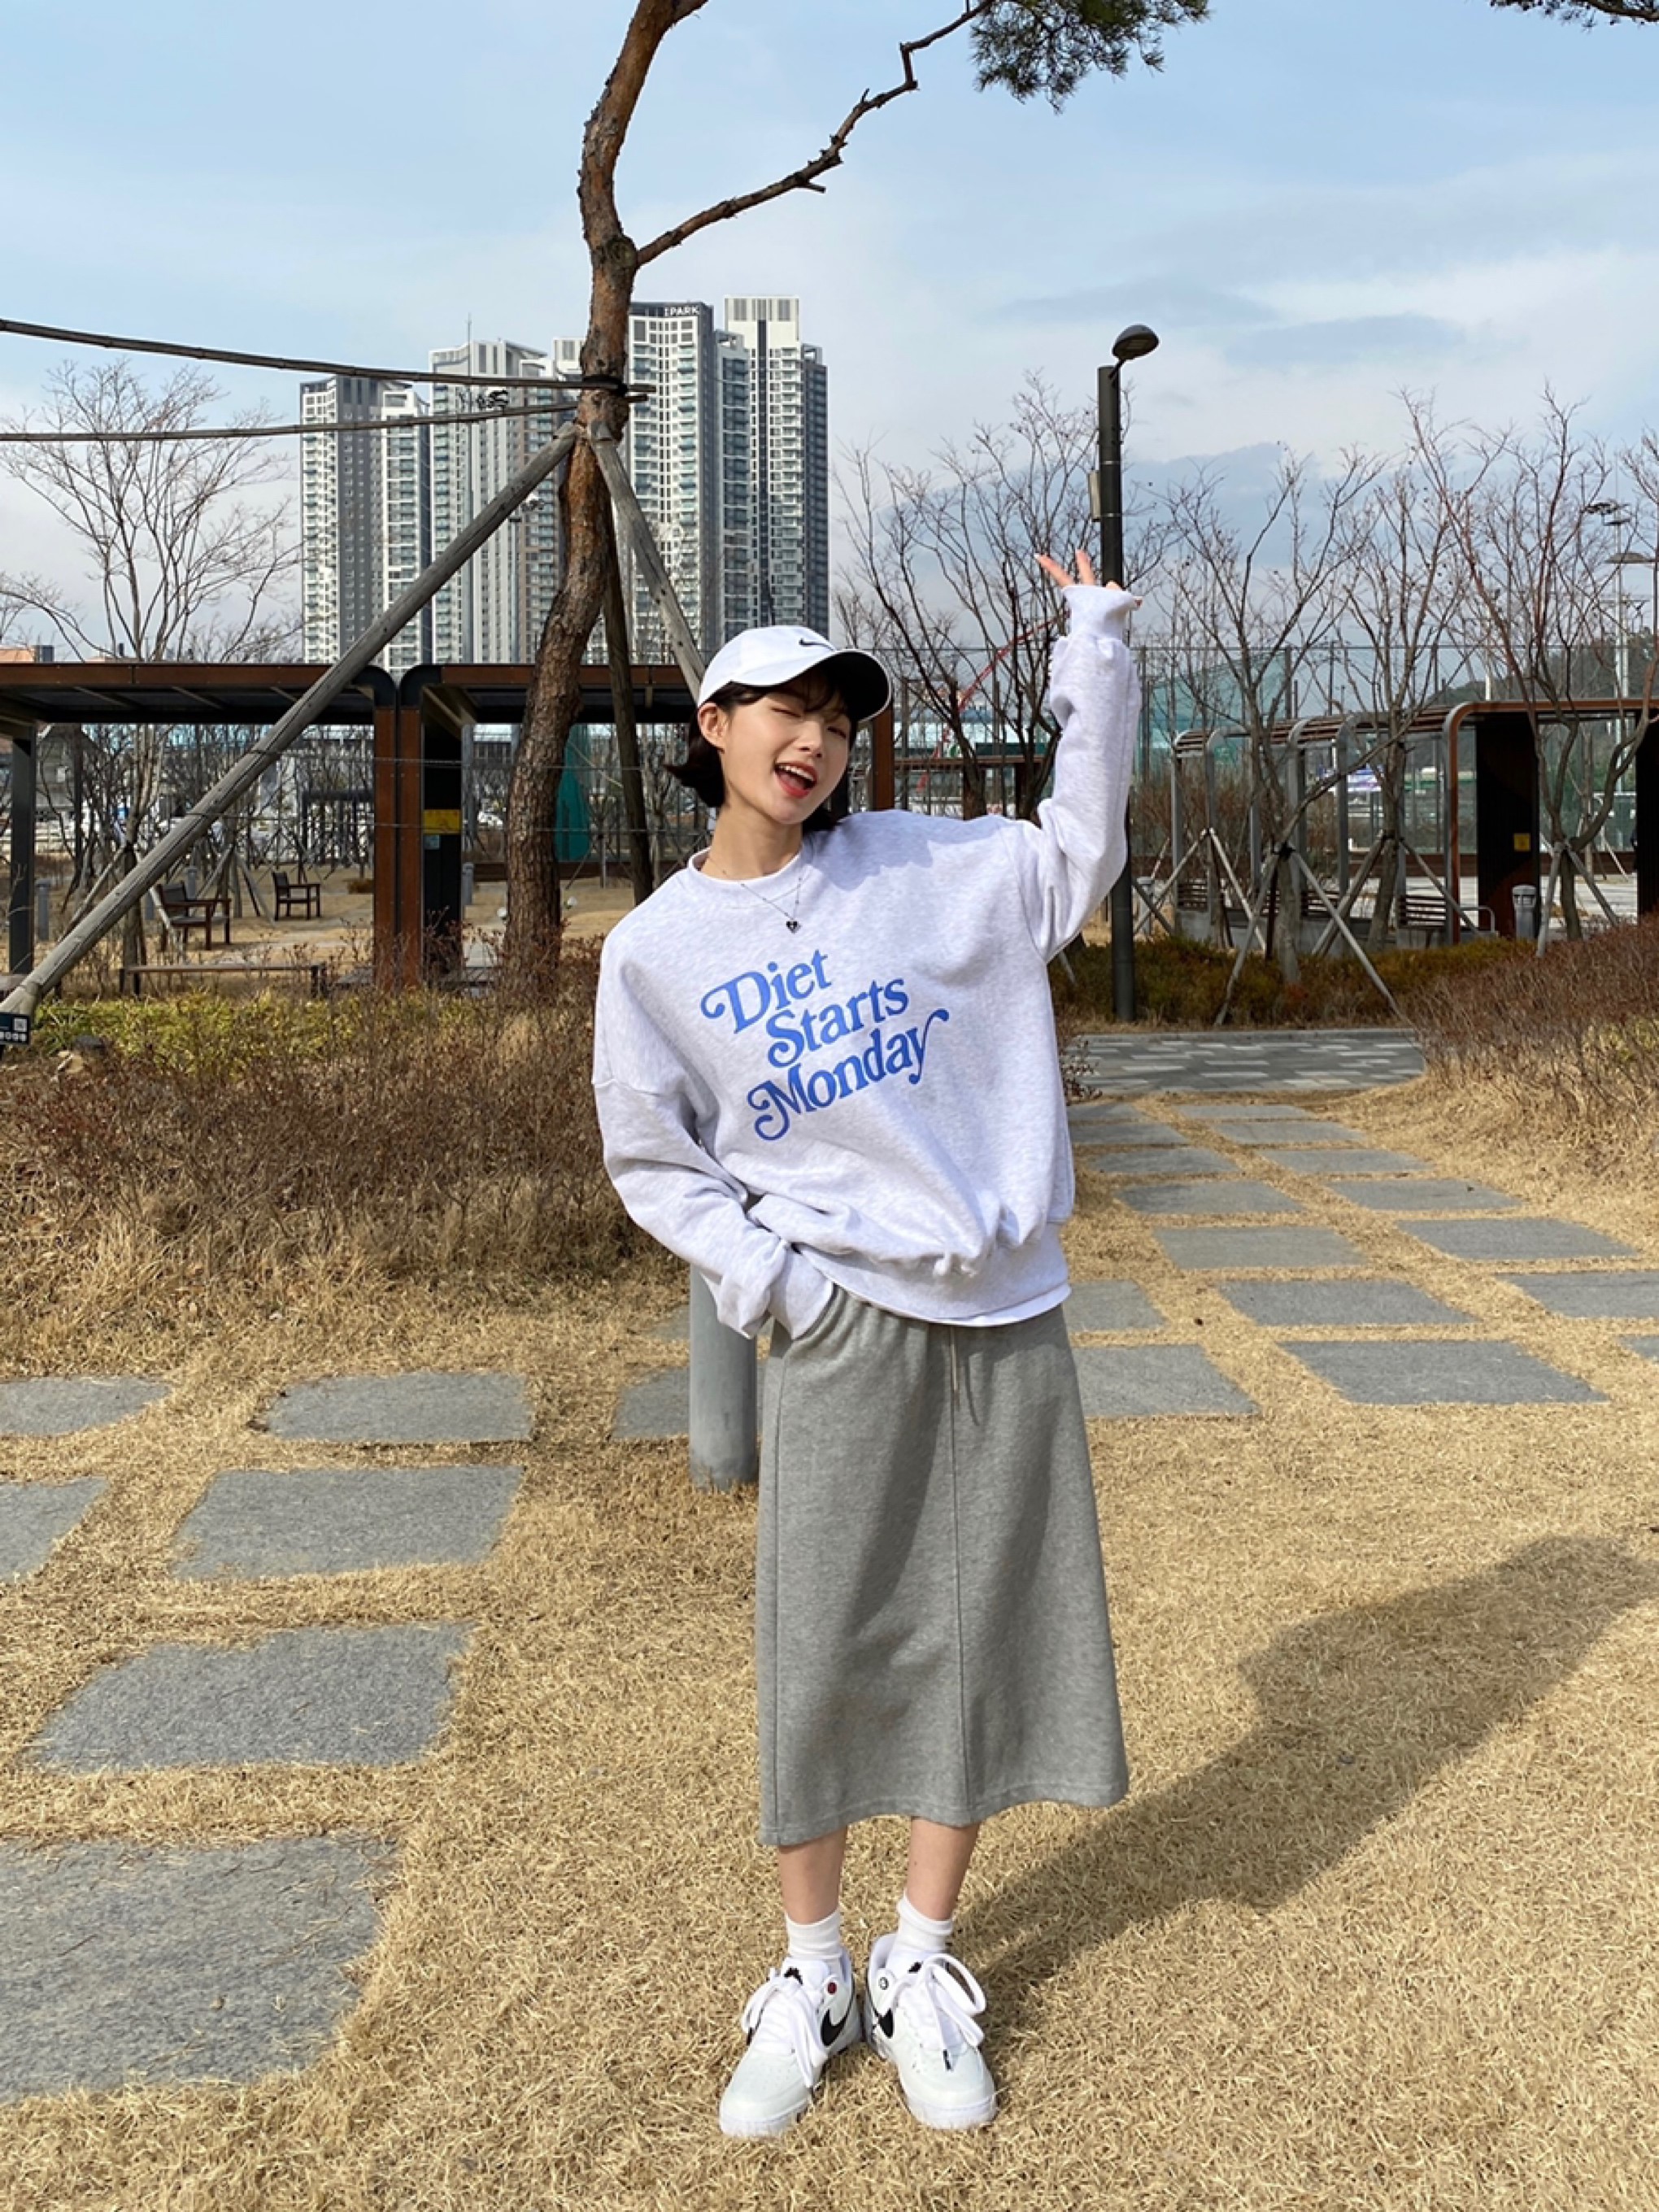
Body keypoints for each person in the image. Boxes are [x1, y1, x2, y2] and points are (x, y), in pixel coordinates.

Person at [592, 553, 1138, 2138]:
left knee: (986, 1632)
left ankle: (920, 1959)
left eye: (836, 716)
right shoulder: (658, 951)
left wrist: (1094, 651)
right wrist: (776, 1285)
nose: (815, 739)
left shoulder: (927, 863)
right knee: (823, 1643)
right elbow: (654, 1161)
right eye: (785, 707)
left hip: (1005, 1310)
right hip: (839, 1318)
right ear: (714, 724)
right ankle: (813, 1970)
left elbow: (1082, 848)